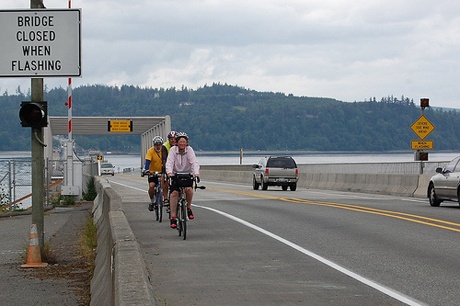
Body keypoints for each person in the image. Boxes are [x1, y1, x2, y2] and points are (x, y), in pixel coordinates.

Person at [165, 132, 200, 229]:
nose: (182, 144)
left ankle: (188, 208)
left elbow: (194, 162)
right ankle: (173, 217)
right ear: (177, 142)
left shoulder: (189, 150)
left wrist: (196, 173)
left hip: (187, 174)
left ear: (187, 143)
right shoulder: (173, 150)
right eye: (180, 141)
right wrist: (169, 173)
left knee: (189, 190)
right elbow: (169, 163)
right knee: (174, 194)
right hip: (176, 175)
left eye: (184, 142)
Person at [143, 136, 165, 211]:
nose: (158, 146)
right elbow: (147, 162)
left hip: (162, 172)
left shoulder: (164, 151)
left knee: (165, 185)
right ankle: (152, 201)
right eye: (156, 145)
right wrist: (146, 170)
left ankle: (165, 199)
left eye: (159, 145)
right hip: (152, 172)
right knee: (151, 186)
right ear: (154, 145)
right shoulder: (150, 151)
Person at [161, 131, 177, 207]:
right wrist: (167, 170)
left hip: (177, 167)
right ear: (168, 139)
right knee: (164, 179)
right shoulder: (165, 146)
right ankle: (166, 198)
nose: (173, 140)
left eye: (174, 139)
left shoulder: (179, 145)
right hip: (167, 165)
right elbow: (164, 159)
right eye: (171, 139)